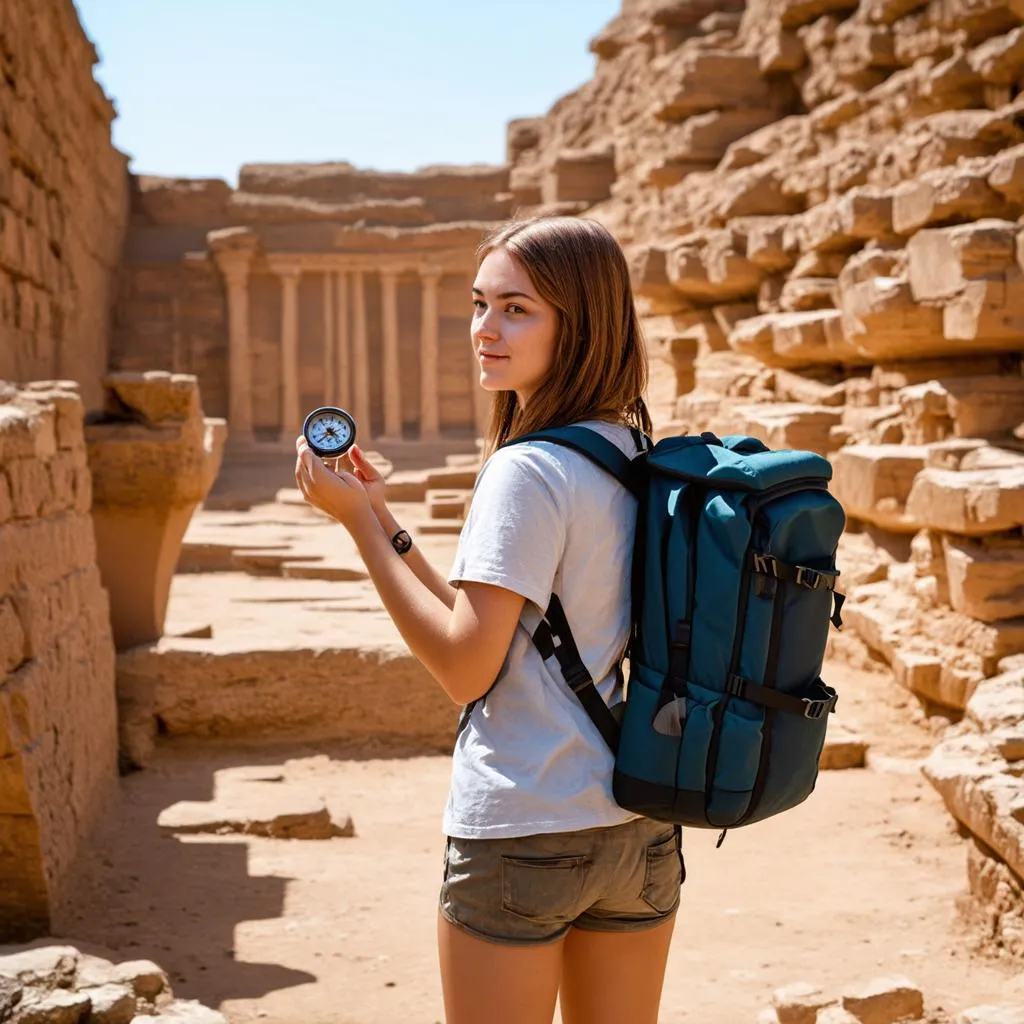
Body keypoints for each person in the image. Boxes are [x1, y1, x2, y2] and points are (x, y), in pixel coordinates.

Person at [294, 216, 683, 1024]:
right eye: (479, 305)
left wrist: (359, 534)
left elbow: (467, 668)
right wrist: (387, 521)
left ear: (580, 325)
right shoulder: (633, 451)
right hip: (639, 824)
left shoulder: (528, 469)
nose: (485, 331)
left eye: (517, 309)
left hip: (525, 829)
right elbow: (518, 630)